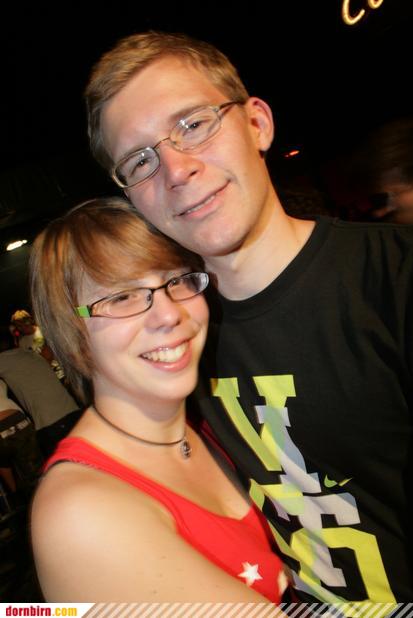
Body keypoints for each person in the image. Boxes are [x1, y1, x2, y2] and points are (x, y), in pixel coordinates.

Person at [84, 32, 413, 607]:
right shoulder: (171, 341)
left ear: (257, 123)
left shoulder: (395, 277)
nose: (175, 169)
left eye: (193, 124)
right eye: (139, 160)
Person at [29, 197, 284, 603]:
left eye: (177, 280)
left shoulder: (213, 423)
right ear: (71, 331)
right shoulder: (81, 512)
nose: (169, 314)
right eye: (121, 297)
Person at [0, 336, 81, 459]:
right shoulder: (30, 354)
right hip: (73, 412)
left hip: (51, 423)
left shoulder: (3, 360)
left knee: (65, 465)